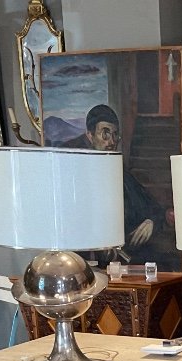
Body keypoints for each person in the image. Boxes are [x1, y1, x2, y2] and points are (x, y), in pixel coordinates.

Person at [60, 104, 167, 256]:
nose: (111, 141)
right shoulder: (76, 178)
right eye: (105, 134)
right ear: (90, 136)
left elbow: (153, 208)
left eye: (115, 135)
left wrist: (152, 222)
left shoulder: (122, 175)